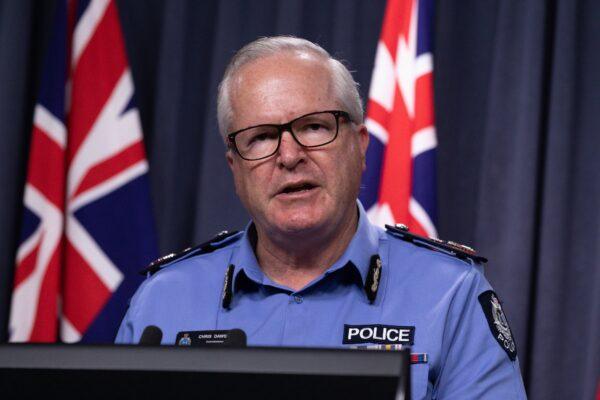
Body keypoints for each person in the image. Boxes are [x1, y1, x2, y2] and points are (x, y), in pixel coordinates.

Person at [116, 36, 527, 399]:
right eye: (260, 137)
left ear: (360, 145)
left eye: (313, 127)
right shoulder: (162, 302)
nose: (290, 156)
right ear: (234, 167)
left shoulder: (450, 295)